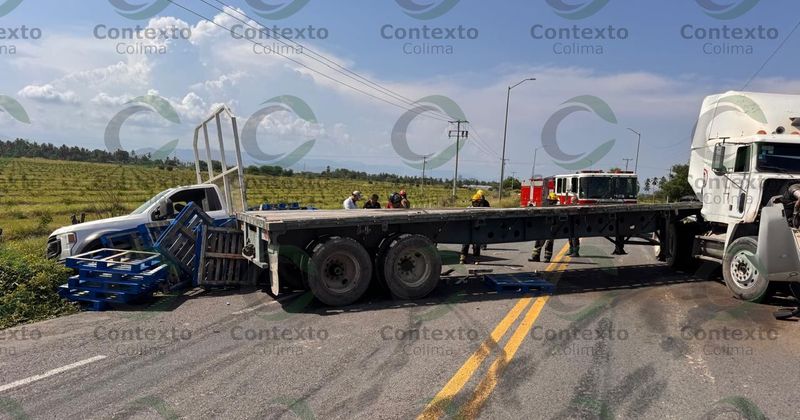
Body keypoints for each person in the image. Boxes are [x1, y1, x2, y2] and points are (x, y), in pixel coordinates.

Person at [460, 190, 490, 264]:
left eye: (476, 202)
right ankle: (463, 258)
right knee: (465, 243)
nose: (475, 203)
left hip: (477, 227)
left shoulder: (484, 206)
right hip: (469, 227)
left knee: (476, 243)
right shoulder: (469, 208)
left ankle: (476, 259)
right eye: (474, 202)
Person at [529, 192, 559, 263]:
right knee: (540, 241)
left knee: (548, 243)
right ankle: (536, 257)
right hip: (546, 227)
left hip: (551, 227)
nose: (551, 202)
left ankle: (546, 258)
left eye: (552, 201)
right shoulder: (547, 207)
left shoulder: (555, 208)